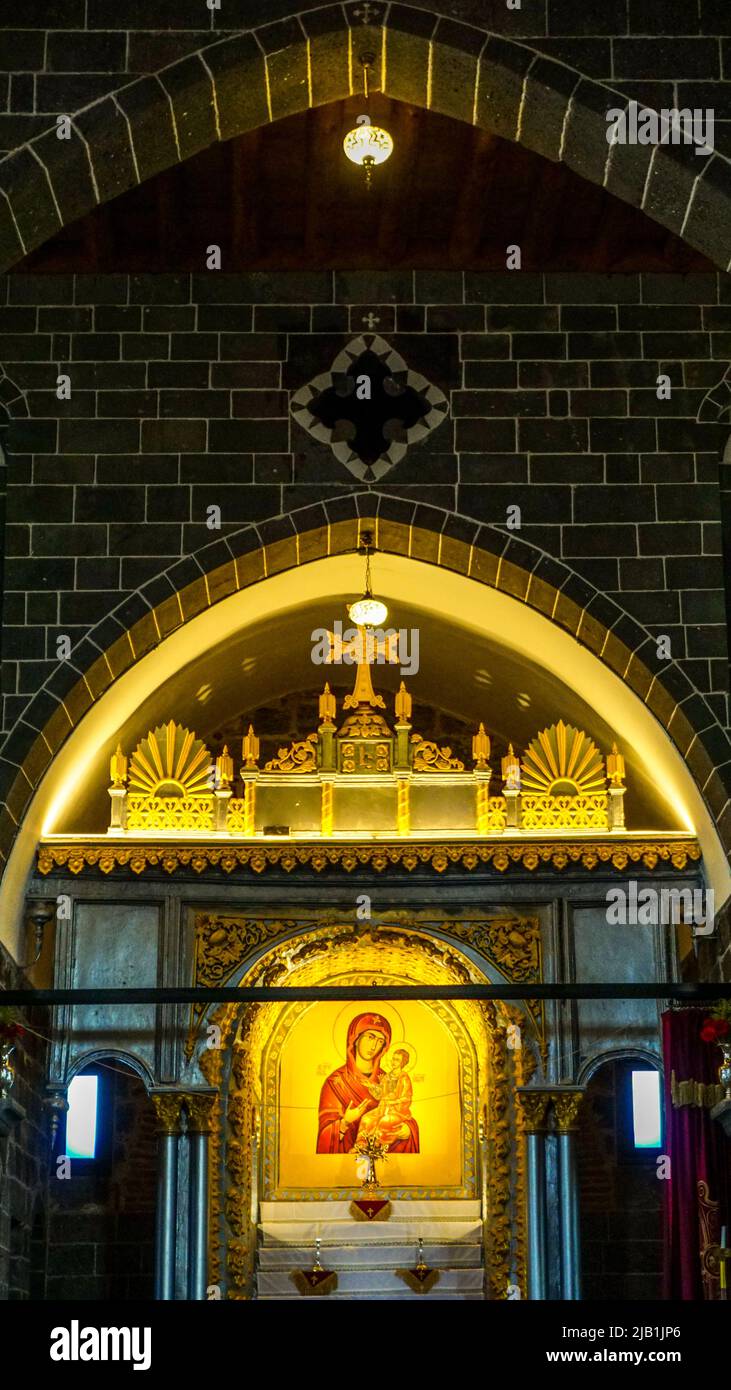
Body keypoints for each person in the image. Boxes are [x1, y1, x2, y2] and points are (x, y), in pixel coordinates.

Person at [316, 1013, 418, 1154]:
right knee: (367, 1119)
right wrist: (345, 1122)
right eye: (370, 1037)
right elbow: (324, 1135)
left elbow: (405, 1109)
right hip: (345, 1165)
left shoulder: (386, 1077)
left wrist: (408, 1130)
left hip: (387, 1160)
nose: (375, 1045)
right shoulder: (335, 1083)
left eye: (381, 1041)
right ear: (355, 1038)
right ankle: (361, 1145)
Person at [357, 1048, 419, 1151]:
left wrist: (393, 1102)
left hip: (398, 1111)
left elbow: (407, 1097)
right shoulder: (387, 1077)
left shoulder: (404, 1077)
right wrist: (371, 1086)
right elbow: (380, 1094)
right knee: (366, 1118)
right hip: (382, 1108)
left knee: (384, 1121)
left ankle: (377, 1147)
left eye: (397, 1060)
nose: (393, 1062)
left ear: (402, 1062)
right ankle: (361, 1145)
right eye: (393, 1059)